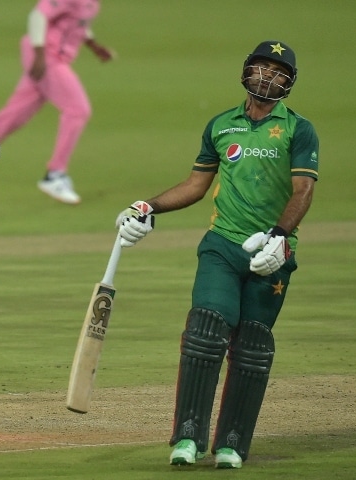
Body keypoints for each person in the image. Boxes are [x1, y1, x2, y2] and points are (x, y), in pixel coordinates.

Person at [115, 40, 319, 469]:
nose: (268, 76)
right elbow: (195, 185)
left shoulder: (299, 130)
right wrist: (147, 206)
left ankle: (231, 444)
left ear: (289, 82)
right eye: (261, 67)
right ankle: (187, 438)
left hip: (272, 253)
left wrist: (280, 238)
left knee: (251, 348)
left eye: (278, 71)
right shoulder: (222, 125)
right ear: (246, 72)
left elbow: (304, 190)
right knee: (205, 333)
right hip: (223, 246)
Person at [0, 0, 114, 204]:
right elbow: (38, 16)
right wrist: (40, 55)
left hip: (53, 56)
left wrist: (94, 46)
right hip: (47, 56)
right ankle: (55, 174)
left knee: (16, 114)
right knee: (78, 109)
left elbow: (77, 24)